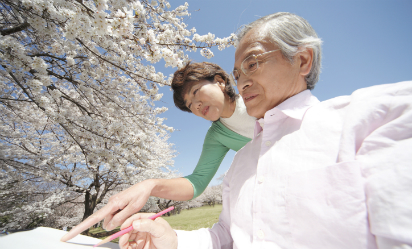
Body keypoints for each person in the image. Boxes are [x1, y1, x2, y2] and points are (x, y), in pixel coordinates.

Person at [116, 12, 412, 249]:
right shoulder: (235, 158)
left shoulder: (368, 119)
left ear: (303, 60)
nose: (243, 81)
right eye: (189, 105)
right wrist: (158, 199)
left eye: (253, 64)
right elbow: (209, 205)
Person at [60, 62, 256, 241]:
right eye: (189, 105)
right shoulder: (217, 136)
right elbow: (196, 182)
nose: (195, 104)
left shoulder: (258, 96)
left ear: (220, 82)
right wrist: (150, 185)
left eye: (196, 91)